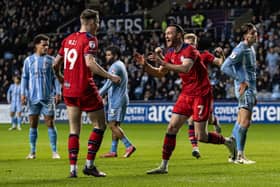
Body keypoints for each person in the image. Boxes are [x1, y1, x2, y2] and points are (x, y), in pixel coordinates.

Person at [134, 24, 236, 174]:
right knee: (171, 127)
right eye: (166, 33)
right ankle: (163, 165)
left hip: (201, 94)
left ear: (178, 35)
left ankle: (228, 142)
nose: (166, 36)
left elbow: (185, 68)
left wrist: (162, 62)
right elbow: (160, 73)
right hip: (186, 94)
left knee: (201, 136)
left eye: (170, 33)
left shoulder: (190, 50)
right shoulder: (170, 53)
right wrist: (145, 65)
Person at [53, 9, 120, 178]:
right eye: (96, 22)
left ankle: (72, 170)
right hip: (85, 88)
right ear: (90, 23)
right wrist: (110, 76)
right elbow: (90, 63)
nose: (98, 26)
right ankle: (89, 165)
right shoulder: (90, 40)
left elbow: (55, 64)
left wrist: (60, 77)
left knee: (74, 129)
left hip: (68, 89)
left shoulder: (68, 39)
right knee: (100, 125)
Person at [221, 23, 258, 164]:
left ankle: (233, 154)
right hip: (245, 90)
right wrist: (241, 80)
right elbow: (225, 67)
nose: (255, 35)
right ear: (245, 35)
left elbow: (250, 72)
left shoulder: (250, 48)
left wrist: (254, 92)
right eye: (252, 33)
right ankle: (240, 156)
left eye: (256, 32)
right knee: (245, 122)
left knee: (240, 121)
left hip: (250, 90)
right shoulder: (241, 48)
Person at [21, 34, 61, 160]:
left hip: (48, 97)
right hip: (33, 98)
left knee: (50, 123)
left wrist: (58, 92)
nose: (46, 47)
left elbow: (55, 78)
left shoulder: (51, 60)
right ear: (36, 45)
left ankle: (54, 152)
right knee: (33, 124)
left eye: (47, 45)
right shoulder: (28, 61)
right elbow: (25, 78)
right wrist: (23, 93)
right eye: (44, 45)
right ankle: (32, 152)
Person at [184, 33, 224, 159]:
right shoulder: (182, 58)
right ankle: (195, 148)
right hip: (190, 93)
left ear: (195, 44)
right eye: (186, 44)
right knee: (190, 121)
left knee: (205, 120)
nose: (189, 46)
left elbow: (220, 63)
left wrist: (221, 54)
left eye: (191, 44)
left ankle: (215, 121)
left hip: (203, 93)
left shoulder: (204, 55)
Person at [99, 46, 136, 158]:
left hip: (117, 100)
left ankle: (128, 145)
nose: (107, 57)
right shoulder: (120, 65)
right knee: (115, 125)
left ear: (115, 55)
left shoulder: (115, 66)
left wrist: (98, 94)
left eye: (109, 55)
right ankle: (113, 151)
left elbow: (109, 83)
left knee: (112, 125)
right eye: (106, 54)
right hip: (120, 98)